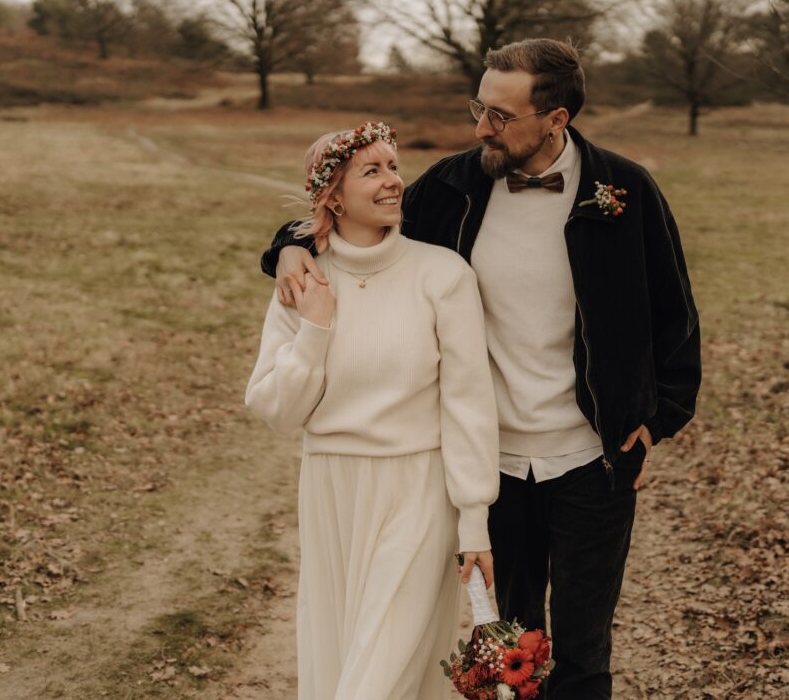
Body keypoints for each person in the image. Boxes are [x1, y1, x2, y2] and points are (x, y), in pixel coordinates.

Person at [264, 40, 702, 699]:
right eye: (479, 108)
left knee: (583, 652)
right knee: (511, 650)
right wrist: (287, 247)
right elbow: (355, 218)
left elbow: (675, 316)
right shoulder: (452, 187)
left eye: (500, 115)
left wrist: (657, 418)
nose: (480, 129)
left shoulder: (623, 191)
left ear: (555, 119)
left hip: (592, 459)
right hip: (491, 459)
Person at [244, 122, 500, 700]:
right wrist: (314, 330)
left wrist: (474, 519)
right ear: (333, 196)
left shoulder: (443, 275)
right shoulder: (301, 280)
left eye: (394, 167)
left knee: (380, 673)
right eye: (372, 171)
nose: (393, 181)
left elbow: (468, 404)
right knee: (343, 660)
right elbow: (276, 409)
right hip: (330, 490)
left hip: (419, 489)